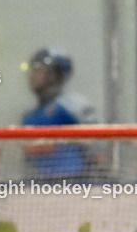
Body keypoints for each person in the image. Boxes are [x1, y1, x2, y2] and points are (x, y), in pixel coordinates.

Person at [21, 48, 98, 179]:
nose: (32, 76)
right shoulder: (29, 117)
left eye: (38, 70)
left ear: (54, 75)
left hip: (75, 182)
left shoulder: (72, 105)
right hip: (39, 186)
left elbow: (97, 144)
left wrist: (99, 174)